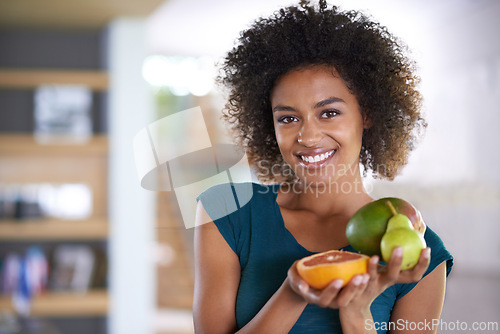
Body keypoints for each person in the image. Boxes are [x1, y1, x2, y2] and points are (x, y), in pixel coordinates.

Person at [193, 1, 453, 333]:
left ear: (368, 113)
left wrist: (356, 312)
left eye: (329, 112)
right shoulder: (226, 212)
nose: (309, 136)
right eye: (288, 118)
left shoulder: (418, 256)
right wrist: (293, 293)